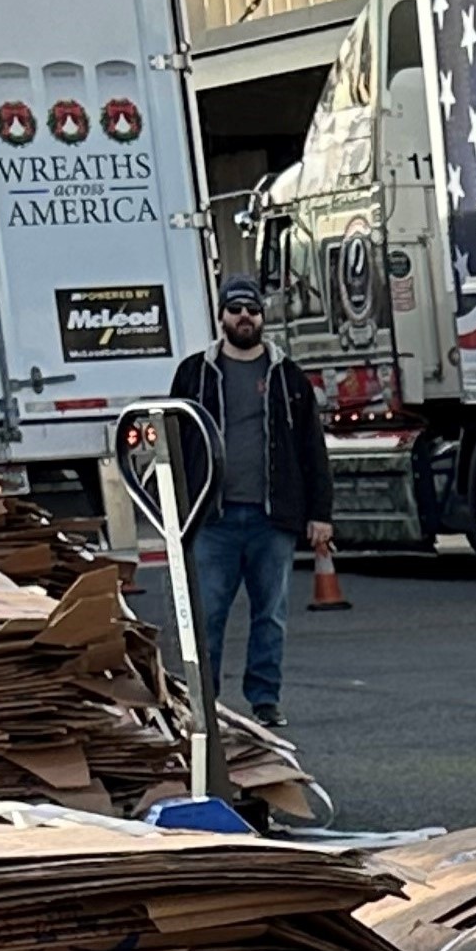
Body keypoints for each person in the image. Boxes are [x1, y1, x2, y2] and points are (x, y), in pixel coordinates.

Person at [168, 275, 332, 727]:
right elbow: (174, 445)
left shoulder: (287, 377)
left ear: (262, 316)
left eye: (252, 310)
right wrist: (176, 510)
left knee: (271, 615)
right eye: (236, 309)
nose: (245, 317)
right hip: (212, 518)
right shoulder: (193, 373)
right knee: (208, 615)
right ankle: (205, 704)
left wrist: (320, 514)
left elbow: (311, 449)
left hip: (272, 518)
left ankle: (265, 700)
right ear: (221, 316)